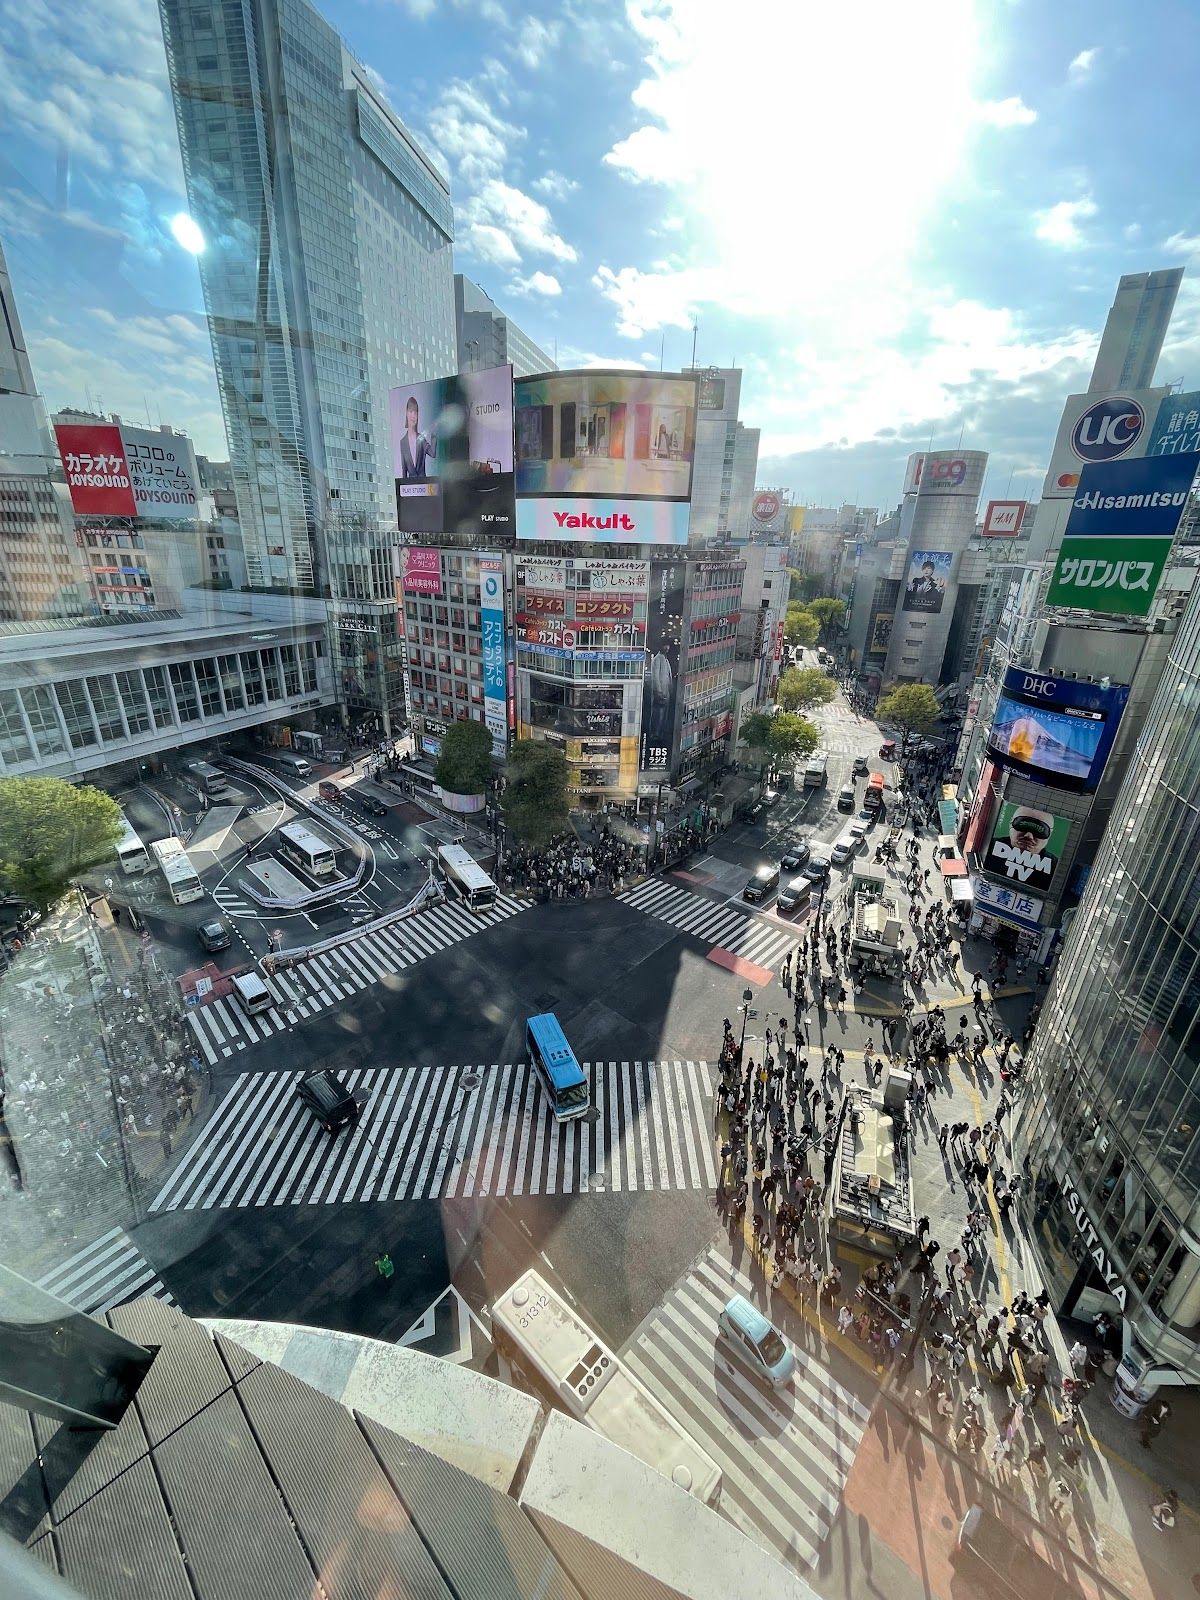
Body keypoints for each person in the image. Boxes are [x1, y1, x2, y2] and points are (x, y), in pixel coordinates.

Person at [397, 394, 436, 479]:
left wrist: (434, 434)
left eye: (416, 412)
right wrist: (402, 488)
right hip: (411, 488)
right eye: (411, 411)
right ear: (406, 413)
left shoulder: (421, 439)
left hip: (424, 487)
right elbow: (404, 469)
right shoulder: (402, 442)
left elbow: (433, 454)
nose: (413, 415)